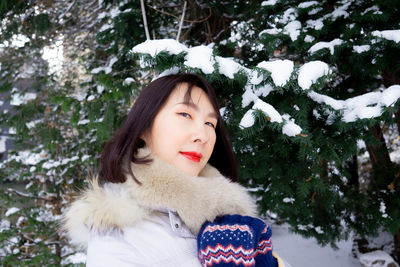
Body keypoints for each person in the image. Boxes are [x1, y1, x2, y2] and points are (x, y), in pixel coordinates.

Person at [62, 73, 286, 266]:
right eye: (185, 115)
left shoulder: (232, 219)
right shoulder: (119, 236)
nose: (203, 135)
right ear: (144, 125)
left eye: (210, 124)